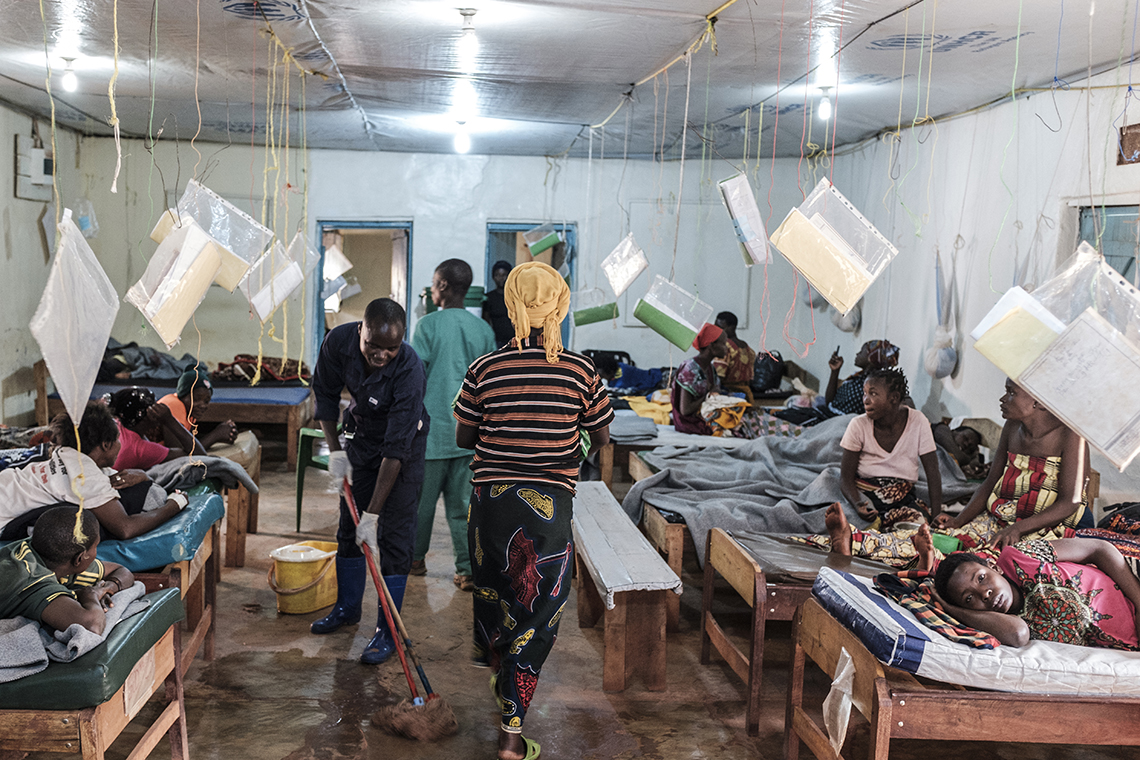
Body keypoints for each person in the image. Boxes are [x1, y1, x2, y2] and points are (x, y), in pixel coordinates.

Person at [455, 261, 614, 760]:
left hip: (490, 508)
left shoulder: (485, 368)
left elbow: (465, 436)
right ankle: (509, 735)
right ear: (559, 308)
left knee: (495, 593)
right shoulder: (582, 371)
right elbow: (602, 437)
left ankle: (500, 679)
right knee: (536, 614)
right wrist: (569, 439)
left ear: (511, 307)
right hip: (547, 514)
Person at [825, 379, 1091, 566]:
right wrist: (959, 520)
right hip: (999, 519)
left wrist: (1019, 528)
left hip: (1041, 528)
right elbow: (989, 483)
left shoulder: (1072, 436)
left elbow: (1071, 501)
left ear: (1038, 402)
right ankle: (857, 541)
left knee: (986, 559)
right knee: (943, 537)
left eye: (1011, 393)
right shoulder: (1012, 427)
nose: (1003, 399)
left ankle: (923, 562)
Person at [308, 298, 430, 667]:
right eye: (373, 346)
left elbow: (395, 452)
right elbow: (326, 395)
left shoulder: (409, 371)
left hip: (402, 451)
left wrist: (374, 515)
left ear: (402, 341)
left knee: (393, 539)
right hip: (360, 437)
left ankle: (386, 630)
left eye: (391, 348)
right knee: (349, 527)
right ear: (360, 329)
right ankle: (347, 608)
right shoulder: (338, 342)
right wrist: (336, 453)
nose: (381, 355)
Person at [410, 259, 496, 591]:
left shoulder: (427, 326)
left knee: (421, 505)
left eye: (433, 282)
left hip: (430, 435)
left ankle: (415, 560)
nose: (431, 289)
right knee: (464, 509)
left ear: (443, 286)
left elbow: (415, 379)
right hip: (468, 436)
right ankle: (466, 570)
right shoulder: (483, 330)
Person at [0, 402, 186, 542]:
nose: (120, 445)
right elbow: (125, 528)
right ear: (106, 444)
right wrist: (174, 504)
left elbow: (109, 476)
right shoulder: (86, 476)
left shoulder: (66, 452)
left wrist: (144, 475)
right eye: (118, 440)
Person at [923, 530, 1140, 650]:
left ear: (993, 567)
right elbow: (1018, 635)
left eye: (981, 578)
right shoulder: (1009, 623)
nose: (985, 593)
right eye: (969, 598)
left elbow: (1099, 549)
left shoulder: (1018, 557)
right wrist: (951, 609)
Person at [0, 506, 135, 634]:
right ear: (80, 559)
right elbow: (92, 626)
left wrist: (106, 589)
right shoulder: (32, 580)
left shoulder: (52, 554)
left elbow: (121, 571)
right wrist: (90, 595)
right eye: (96, 546)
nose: (96, 553)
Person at [838, 367, 942, 527]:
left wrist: (936, 515)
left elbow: (933, 473)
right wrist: (858, 504)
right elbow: (845, 477)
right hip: (864, 495)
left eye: (873, 393)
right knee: (848, 525)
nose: (865, 400)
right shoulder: (858, 425)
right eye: (865, 393)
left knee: (919, 528)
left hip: (902, 496)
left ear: (894, 398)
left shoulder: (918, 421)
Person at [106, 386, 205, 471]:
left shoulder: (114, 423)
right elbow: (200, 455)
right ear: (147, 415)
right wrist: (170, 420)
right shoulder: (142, 449)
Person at [158, 367, 238, 450]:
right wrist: (215, 435)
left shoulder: (190, 413)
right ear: (183, 395)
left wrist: (222, 435)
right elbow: (180, 455)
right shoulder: (174, 405)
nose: (202, 405)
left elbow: (190, 444)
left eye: (206, 401)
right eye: (196, 399)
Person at [671, 324, 729, 435]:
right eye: (723, 344)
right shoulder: (690, 369)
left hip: (703, 417)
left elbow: (715, 392)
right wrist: (708, 395)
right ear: (711, 345)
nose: (726, 348)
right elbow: (685, 410)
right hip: (689, 423)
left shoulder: (710, 369)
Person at [825, 339, 900, 415]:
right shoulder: (858, 378)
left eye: (861, 351)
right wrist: (835, 371)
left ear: (871, 358)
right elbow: (830, 402)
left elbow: (833, 407)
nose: (858, 354)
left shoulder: (866, 387)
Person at [713, 311, 757, 403]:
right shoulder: (748, 348)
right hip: (747, 395)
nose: (717, 331)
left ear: (732, 327)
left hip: (730, 396)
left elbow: (718, 376)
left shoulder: (725, 347)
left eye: (721, 328)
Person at [482, 260, 514, 348]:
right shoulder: (489, 298)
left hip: (515, 341)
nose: (501, 278)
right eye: (497, 275)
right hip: (496, 342)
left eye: (504, 275)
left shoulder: (517, 297)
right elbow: (486, 322)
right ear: (493, 277)